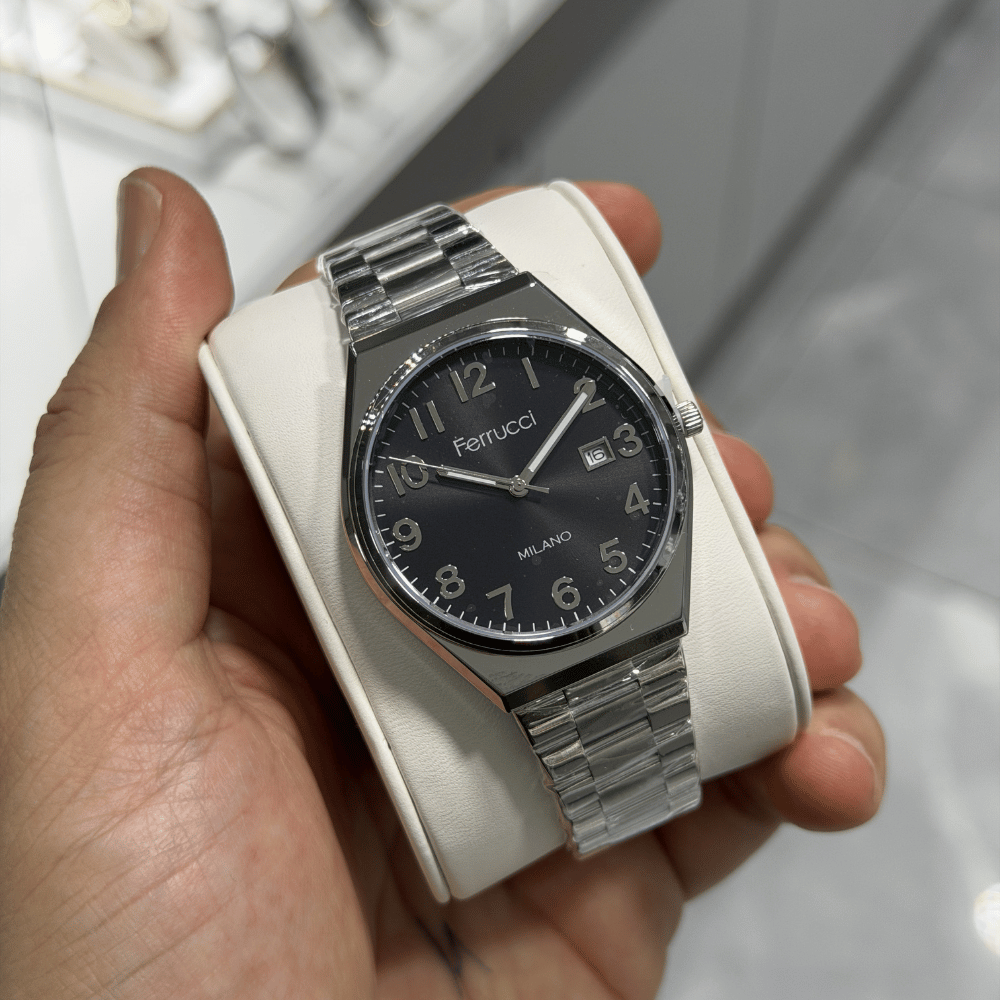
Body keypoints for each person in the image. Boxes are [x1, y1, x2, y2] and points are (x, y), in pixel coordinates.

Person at [0, 169, 885, 1000]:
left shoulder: (586, 404)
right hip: (504, 663)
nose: (520, 486)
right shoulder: (388, 507)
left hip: (625, 592)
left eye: (523, 480)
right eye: (503, 485)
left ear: (668, 418)